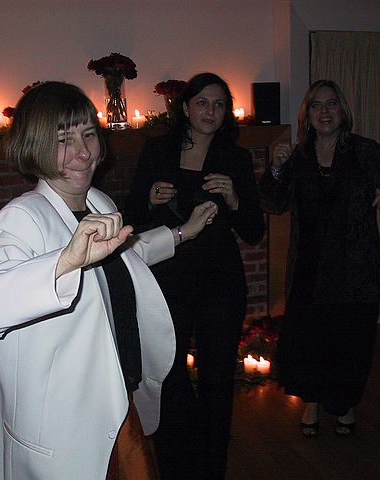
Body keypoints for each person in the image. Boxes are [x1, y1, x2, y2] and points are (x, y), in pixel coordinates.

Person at [0, 81, 218, 480]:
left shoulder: (97, 202)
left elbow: (123, 261)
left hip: (116, 401)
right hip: (63, 427)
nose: (84, 152)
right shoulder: (22, 218)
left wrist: (182, 233)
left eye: (88, 135)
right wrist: (64, 261)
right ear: (35, 147)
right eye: (64, 140)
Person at [125, 72, 265, 479]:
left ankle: (211, 466)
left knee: (217, 378)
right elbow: (130, 216)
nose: (210, 111)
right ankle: (179, 460)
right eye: (202, 102)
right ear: (185, 107)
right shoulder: (157, 150)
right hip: (167, 281)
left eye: (219, 104)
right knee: (169, 372)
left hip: (220, 283)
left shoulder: (235, 158)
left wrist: (235, 199)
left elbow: (253, 231)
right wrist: (149, 199)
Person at [259, 79, 380, 437]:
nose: (325, 111)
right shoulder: (298, 156)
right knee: (310, 341)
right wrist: (276, 167)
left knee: (350, 343)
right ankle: (312, 401)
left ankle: (344, 403)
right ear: (307, 115)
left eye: (331, 104)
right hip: (309, 267)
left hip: (353, 269)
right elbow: (272, 202)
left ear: (342, 110)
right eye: (316, 105)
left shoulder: (365, 151)